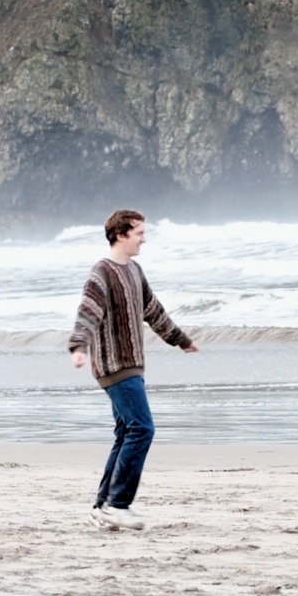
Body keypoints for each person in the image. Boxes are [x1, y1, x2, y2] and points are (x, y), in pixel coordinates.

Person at [69, 209, 198, 528]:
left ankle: (102, 507)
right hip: (114, 366)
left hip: (133, 365)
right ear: (121, 235)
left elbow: (154, 311)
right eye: (139, 232)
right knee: (143, 428)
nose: (144, 238)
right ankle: (118, 503)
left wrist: (179, 339)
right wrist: (78, 345)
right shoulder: (102, 272)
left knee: (126, 431)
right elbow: (88, 312)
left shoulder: (135, 271)